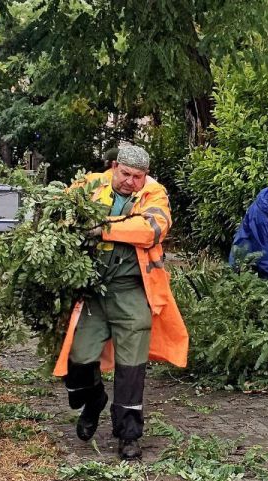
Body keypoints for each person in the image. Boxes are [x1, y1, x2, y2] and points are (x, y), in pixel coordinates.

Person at [53, 145, 189, 460]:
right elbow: (61, 215)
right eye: (125, 174)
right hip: (93, 292)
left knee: (132, 370)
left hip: (133, 292)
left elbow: (151, 230)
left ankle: (129, 436)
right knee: (78, 361)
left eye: (137, 177)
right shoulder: (89, 185)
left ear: (146, 176)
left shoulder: (155, 195)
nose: (130, 182)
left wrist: (104, 229)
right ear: (115, 166)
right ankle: (94, 400)